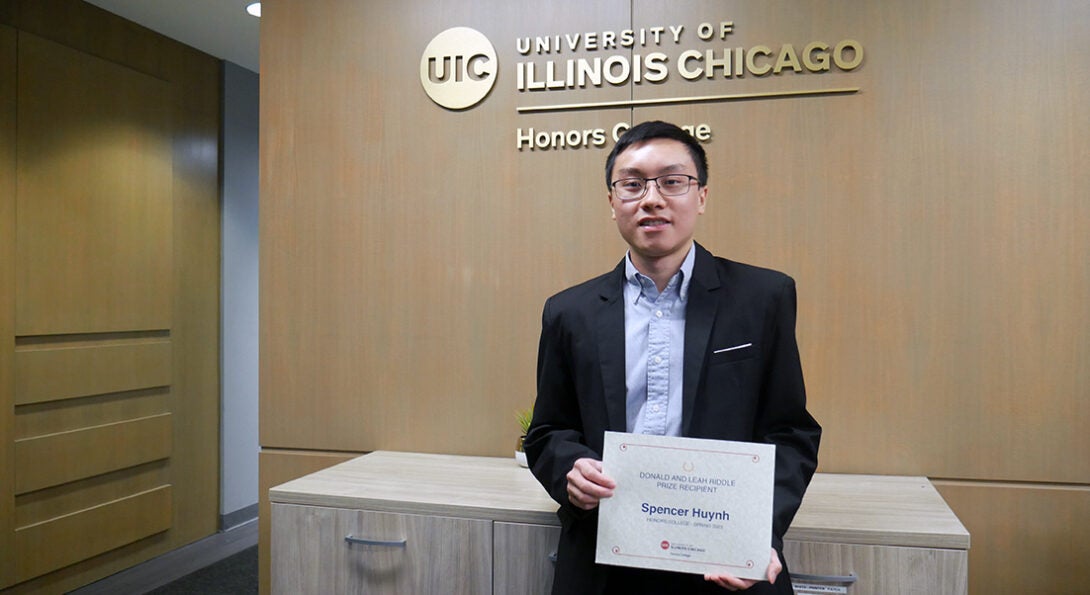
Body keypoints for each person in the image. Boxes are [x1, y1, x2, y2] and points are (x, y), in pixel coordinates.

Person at [524, 120, 821, 594]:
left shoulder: (763, 298)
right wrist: (569, 470)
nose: (652, 198)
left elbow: (790, 432)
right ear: (612, 202)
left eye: (672, 181)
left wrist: (757, 535)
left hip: (724, 559)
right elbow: (547, 432)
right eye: (633, 184)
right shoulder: (569, 312)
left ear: (701, 196)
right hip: (607, 558)